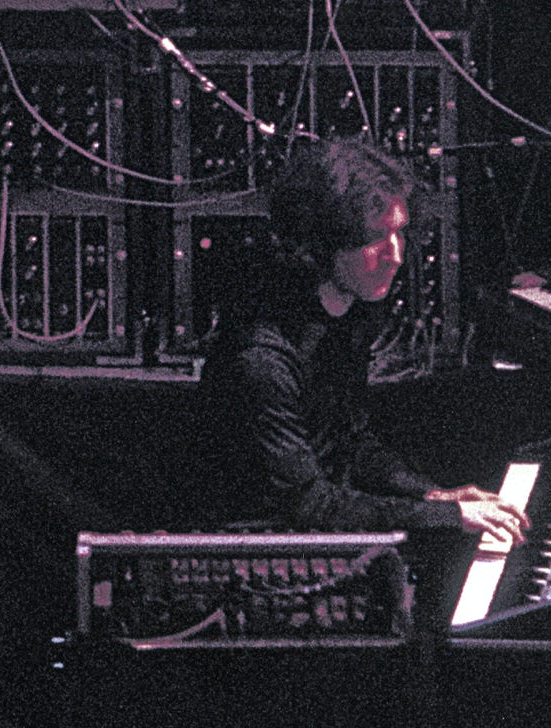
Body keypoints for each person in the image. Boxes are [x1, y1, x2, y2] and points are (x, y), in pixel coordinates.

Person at [194, 135, 529, 547]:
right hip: (257, 547)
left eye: (400, 233)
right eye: (375, 240)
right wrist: (446, 516)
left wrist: (430, 494)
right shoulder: (261, 361)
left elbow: (348, 443)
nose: (397, 256)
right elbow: (310, 506)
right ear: (322, 243)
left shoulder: (346, 310)